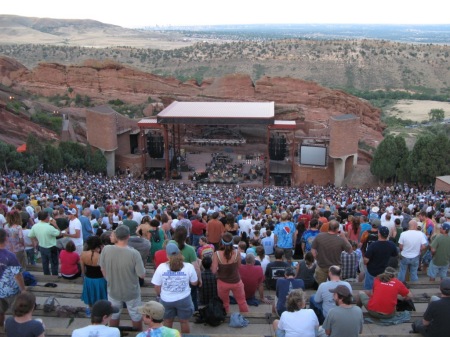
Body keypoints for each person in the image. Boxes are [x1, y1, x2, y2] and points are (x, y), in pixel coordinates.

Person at [99, 225, 146, 331]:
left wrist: (110, 280)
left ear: (116, 236)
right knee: (136, 315)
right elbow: (141, 275)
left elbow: (102, 269)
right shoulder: (134, 253)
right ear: (128, 236)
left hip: (113, 290)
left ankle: (114, 333)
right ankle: (137, 334)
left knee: (114, 314)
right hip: (131, 291)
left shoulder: (106, 249)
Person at [151, 242, 198, 334]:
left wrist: (160, 294)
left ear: (167, 255)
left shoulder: (161, 267)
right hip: (184, 299)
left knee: (167, 321)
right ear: (179, 252)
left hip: (166, 299)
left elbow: (157, 286)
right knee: (184, 321)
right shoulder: (188, 267)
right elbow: (194, 282)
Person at [211, 232, 249, 313]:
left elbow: (213, 271)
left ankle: (226, 317)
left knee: (225, 303)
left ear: (221, 242)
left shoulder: (217, 254)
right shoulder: (237, 253)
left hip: (222, 282)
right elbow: (239, 266)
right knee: (242, 302)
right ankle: (246, 317)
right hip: (236, 281)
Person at [311, 220, 352, 285]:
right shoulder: (341, 240)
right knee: (335, 286)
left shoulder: (319, 236)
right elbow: (350, 250)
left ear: (329, 227)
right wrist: (344, 237)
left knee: (321, 286)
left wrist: (317, 258)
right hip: (335, 267)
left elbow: (313, 250)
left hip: (322, 265)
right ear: (337, 229)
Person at [0, 228, 26, 327]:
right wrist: (23, 289)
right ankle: (17, 330)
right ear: (6, 239)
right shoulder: (10, 256)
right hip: (11, 290)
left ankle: (1, 329)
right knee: (17, 312)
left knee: (0, 313)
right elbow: (18, 275)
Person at [363, 226, 398, 290]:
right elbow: (395, 256)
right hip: (384, 272)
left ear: (379, 234)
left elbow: (366, 260)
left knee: (369, 290)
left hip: (372, 272)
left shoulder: (373, 245)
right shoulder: (392, 245)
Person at [80, 236, 107, 317]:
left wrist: (84, 278)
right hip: (100, 280)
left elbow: (82, 269)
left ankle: (89, 309)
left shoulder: (83, 254)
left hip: (88, 279)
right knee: (101, 297)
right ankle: (100, 312)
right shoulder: (101, 256)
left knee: (90, 296)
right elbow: (104, 270)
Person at [28, 211, 60, 275]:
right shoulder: (49, 227)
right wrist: (55, 225)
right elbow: (59, 233)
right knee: (54, 264)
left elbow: (30, 235)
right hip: (51, 247)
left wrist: (36, 240)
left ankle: (46, 275)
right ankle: (54, 276)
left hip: (42, 246)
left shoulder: (35, 226)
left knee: (45, 263)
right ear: (46, 218)